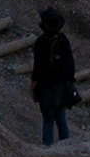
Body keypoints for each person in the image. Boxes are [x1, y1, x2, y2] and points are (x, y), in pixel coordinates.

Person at [29, 8, 78, 145]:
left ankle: (48, 150)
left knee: (48, 119)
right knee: (61, 118)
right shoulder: (62, 39)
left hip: (46, 87)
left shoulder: (41, 42)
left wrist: (33, 86)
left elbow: (38, 68)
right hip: (62, 85)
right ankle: (66, 147)